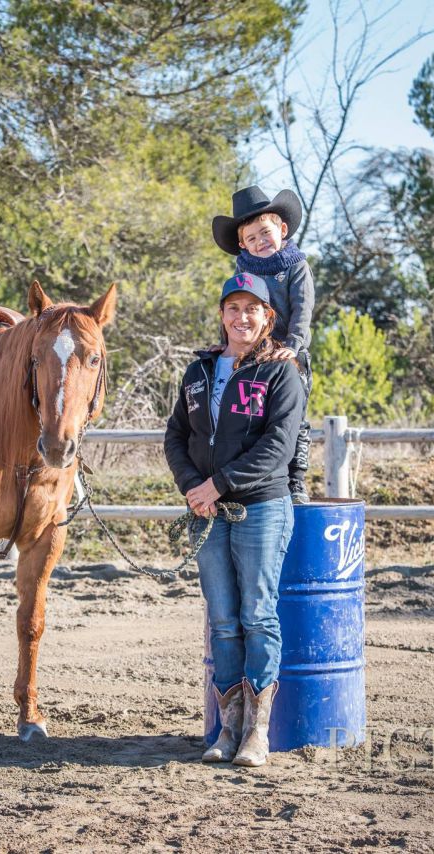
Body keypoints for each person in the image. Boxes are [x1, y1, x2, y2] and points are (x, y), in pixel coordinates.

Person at [163, 272, 305, 768]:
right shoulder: (198, 373)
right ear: (222, 316)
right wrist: (192, 487)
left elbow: (278, 446)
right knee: (223, 622)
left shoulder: (281, 374)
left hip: (261, 506)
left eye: (252, 309)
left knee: (258, 615)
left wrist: (218, 483)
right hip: (207, 512)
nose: (241, 317)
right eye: (233, 308)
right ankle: (227, 729)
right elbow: (175, 438)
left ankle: (256, 733)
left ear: (268, 317)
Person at [212, 186, 315, 503]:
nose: (260, 243)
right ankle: (243, 474)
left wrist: (293, 347)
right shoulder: (243, 269)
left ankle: (295, 480)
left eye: (266, 233)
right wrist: (226, 346)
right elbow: (235, 309)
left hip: (286, 350)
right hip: (253, 352)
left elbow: (302, 310)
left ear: (282, 230)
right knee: (247, 413)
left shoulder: (296, 266)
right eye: (252, 239)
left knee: (293, 417)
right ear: (242, 244)